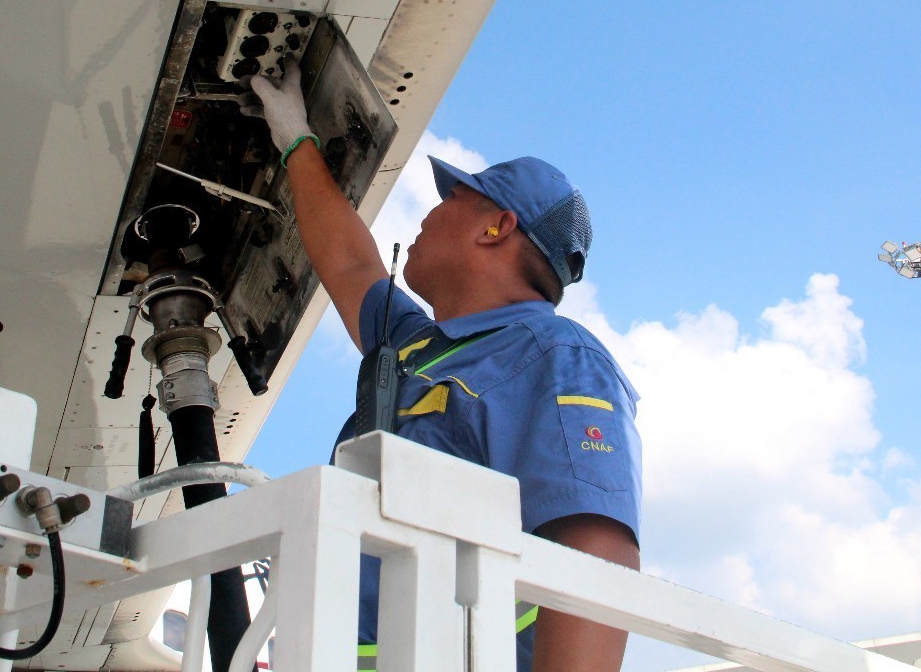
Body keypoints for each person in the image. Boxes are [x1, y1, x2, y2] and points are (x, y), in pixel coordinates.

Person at [249, 63, 643, 672]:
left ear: (497, 226)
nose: (429, 215)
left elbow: (596, 549)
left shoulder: (558, 356)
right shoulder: (417, 349)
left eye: (453, 198)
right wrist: (295, 141)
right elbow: (352, 266)